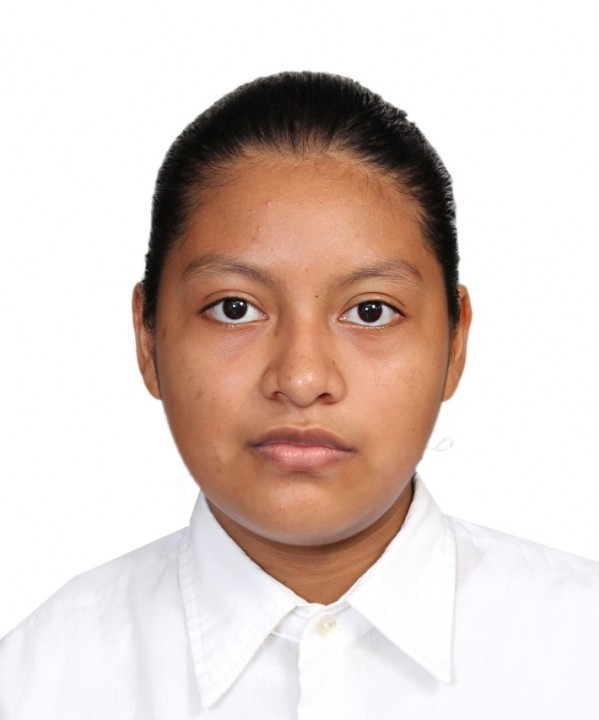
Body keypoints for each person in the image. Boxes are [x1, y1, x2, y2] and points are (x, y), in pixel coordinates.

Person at [0, 71, 597, 719]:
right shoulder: (37, 682)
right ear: (148, 339)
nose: (303, 379)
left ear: (454, 344)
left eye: (370, 311)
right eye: (234, 308)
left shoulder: (578, 653)